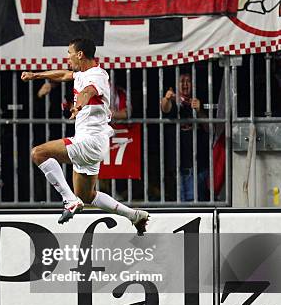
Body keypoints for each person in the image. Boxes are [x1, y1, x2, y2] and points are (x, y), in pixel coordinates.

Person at [21, 38, 149, 235]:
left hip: (88, 141)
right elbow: (64, 75)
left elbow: (88, 92)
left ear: (80, 54)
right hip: (95, 143)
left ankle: (69, 201)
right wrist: (36, 75)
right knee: (87, 196)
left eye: (69, 52)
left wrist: (78, 105)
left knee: (39, 154)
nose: (67, 56)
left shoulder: (96, 75)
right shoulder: (83, 73)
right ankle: (134, 216)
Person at [160, 73, 210, 202]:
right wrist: (166, 98)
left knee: (196, 203)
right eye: (182, 81)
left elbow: (209, 127)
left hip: (198, 163)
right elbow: (165, 108)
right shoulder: (173, 101)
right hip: (178, 163)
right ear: (176, 85)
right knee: (181, 203)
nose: (185, 84)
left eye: (188, 81)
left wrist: (199, 110)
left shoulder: (198, 100)